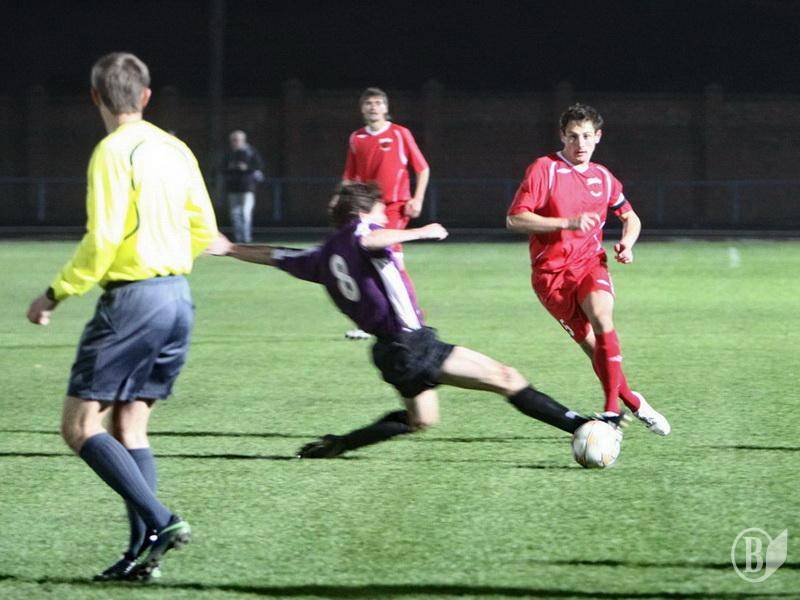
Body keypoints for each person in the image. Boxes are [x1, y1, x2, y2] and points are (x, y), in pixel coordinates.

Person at [206, 182, 628, 459]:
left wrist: (230, 249)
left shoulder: (320, 255)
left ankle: (339, 444)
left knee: (421, 419)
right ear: (367, 210)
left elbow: (275, 254)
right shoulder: (361, 233)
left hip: (389, 353)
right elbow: (370, 239)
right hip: (412, 343)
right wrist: (420, 232)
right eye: (382, 209)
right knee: (506, 377)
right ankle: (582, 424)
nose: (386, 215)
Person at [26, 52, 218, 581]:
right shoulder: (175, 148)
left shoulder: (112, 151)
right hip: (177, 297)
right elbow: (205, 230)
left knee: (79, 426)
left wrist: (55, 293)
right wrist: (169, 253)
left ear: (95, 97)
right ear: (146, 96)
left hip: (134, 301)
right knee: (130, 425)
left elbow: (104, 238)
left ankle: (162, 520)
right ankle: (141, 556)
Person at [506, 103, 670, 435]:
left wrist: (628, 243)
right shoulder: (545, 169)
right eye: (572, 136)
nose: (579, 144)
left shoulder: (603, 177)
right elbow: (515, 219)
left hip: (589, 263)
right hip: (551, 278)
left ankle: (611, 411)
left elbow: (631, 217)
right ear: (562, 136)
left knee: (602, 317)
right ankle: (633, 401)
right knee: (597, 352)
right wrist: (566, 222)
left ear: (598, 137)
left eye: (585, 136)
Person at [340, 87, 430, 340]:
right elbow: (349, 177)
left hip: (394, 207)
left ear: (386, 108)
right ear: (362, 108)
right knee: (370, 263)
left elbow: (422, 168)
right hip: (368, 210)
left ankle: (412, 318)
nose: (373, 107)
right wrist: (342, 202)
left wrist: (417, 198)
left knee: (391, 260)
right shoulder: (357, 138)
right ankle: (378, 320)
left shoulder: (400, 133)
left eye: (378, 103)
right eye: (369, 103)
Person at [222, 129, 264, 243]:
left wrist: (247, 168)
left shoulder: (250, 152)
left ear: (243, 140)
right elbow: (222, 168)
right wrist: (230, 167)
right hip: (233, 188)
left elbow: (259, 166)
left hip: (247, 187)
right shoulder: (228, 154)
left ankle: (246, 238)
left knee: (246, 213)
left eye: (237, 140)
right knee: (234, 215)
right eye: (233, 140)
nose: (235, 142)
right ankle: (238, 238)